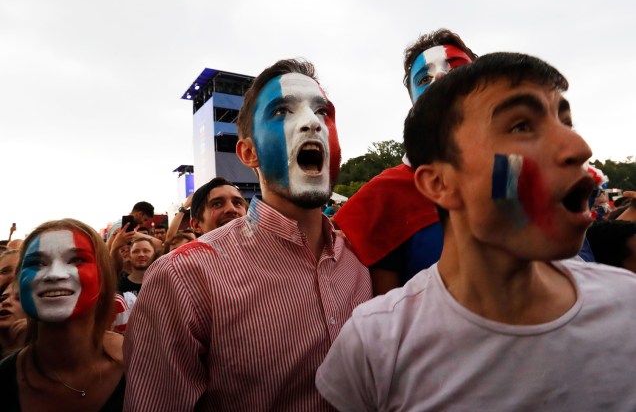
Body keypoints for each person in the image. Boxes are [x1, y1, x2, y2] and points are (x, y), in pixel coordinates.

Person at [316, 53, 636, 410]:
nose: (580, 149)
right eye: (521, 126)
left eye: (566, 122)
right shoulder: (374, 345)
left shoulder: (627, 303)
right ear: (438, 183)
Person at [124, 58, 372, 410]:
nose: (311, 123)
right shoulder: (184, 278)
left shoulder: (365, 260)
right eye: (283, 111)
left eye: (323, 112)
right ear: (248, 152)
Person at [334, 29, 477, 294]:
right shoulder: (384, 194)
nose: (440, 79)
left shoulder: (521, 172)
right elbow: (388, 312)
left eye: (455, 70)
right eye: (424, 78)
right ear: (413, 103)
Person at [0, 218, 124, 411]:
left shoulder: (142, 364)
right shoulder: (5, 378)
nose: (54, 274)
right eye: (37, 263)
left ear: (103, 275)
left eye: (76, 260)